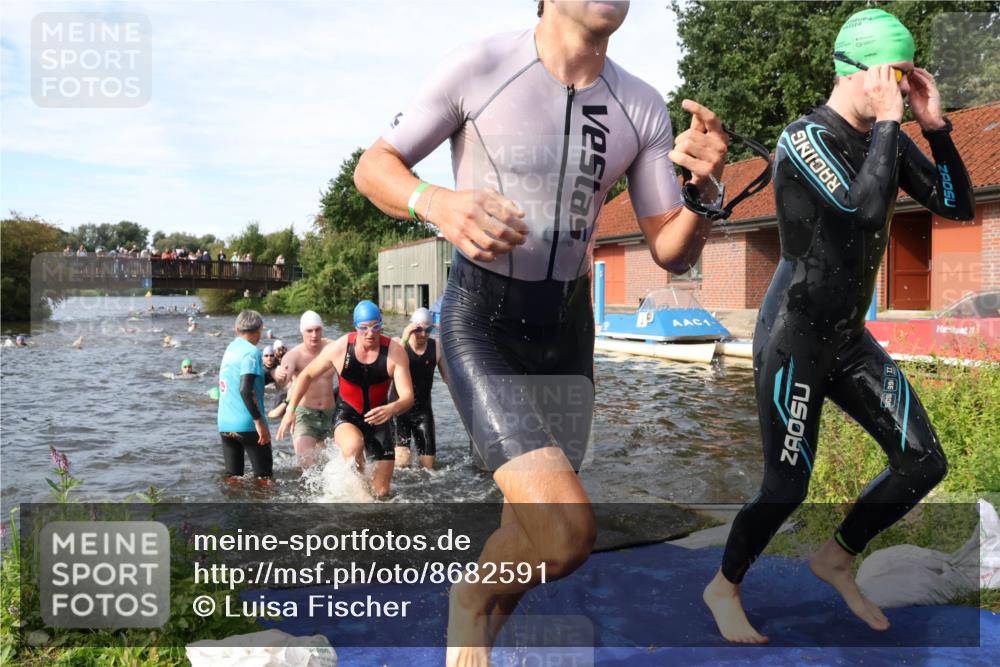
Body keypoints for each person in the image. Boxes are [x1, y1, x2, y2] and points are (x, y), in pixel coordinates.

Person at [353, 1, 728, 660]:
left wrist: (703, 193)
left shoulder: (640, 104)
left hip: (566, 329)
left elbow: (670, 249)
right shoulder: (482, 65)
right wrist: (435, 202)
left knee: (526, 535)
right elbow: (375, 165)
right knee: (563, 533)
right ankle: (467, 597)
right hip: (482, 319)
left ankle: (478, 643)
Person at [703, 9, 975, 644]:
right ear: (856, 71)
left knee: (922, 463)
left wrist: (934, 130)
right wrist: (888, 121)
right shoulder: (803, 139)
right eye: (893, 76)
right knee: (787, 485)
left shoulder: (894, 138)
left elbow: (958, 205)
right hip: (793, 335)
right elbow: (862, 207)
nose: (901, 93)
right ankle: (725, 584)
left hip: (848, 338)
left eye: (907, 81)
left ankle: (835, 556)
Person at [277, 301, 414, 498]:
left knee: (381, 492)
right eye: (364, 328)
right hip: (348, 415)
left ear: (381, 325)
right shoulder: (341, 348)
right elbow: (306, 375)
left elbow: (408, 397)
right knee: (352, 448)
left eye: (376, 327)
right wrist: (290, 412)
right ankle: (358, 490)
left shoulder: (394, 352)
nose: (370, 333)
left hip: (380, 417)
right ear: (356, 327)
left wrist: (392, 408)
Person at [272, 311, 339, 467]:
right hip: (304, 415)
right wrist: (278, 376)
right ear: (302, 331)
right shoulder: (294, 355)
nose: (314, 335)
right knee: (308, 465)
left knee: (334, 465)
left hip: (331, 414)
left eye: (317, 330)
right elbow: (282, 383)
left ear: (322, 330)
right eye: (309, 331)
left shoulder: (333, 347)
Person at [216, 309, 272, 484]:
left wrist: (271, 376)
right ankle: (262, 510)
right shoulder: (252, 352)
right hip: (247, 424)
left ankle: (233, 510)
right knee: (264, 479)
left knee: (233, 478)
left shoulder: (230, 349)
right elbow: (245, 389)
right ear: (259, 330)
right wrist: (259, 422)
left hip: (225, 424)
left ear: (236, 329)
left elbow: (239, 382)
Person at [394, 307, 447, 469]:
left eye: (428, 330)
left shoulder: (436, 347)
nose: (423, 334)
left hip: (423, 411)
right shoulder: (398, 343)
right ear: (411, 327)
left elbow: (448, 378)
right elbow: (390, 369)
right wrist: (404, 338)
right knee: (402, 463)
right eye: (418, 329)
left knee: (428, 468)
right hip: (399, 411)